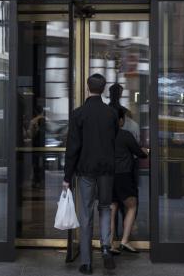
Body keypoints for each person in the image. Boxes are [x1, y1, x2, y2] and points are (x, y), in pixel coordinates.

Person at [64, 73, 119, 274]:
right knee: (105, 208)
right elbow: (112, 140)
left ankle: (86, 263)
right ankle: (105, 246)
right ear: (103, 89)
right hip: (107, 169)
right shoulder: (111, 114)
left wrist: (66, 177)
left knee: (86, 213)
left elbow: (72, 148)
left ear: (87, 88)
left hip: (85, 170)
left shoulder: (78, 114)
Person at [109, 107, 148, 254]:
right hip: (124, 176)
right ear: (120, 121)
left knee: (112, 209)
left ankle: (111, 244)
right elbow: (139, 153)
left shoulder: (104, 136)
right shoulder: (125, 135)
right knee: (131, 206)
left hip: (108, 177)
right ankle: (125, 241)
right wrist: (146, 151)